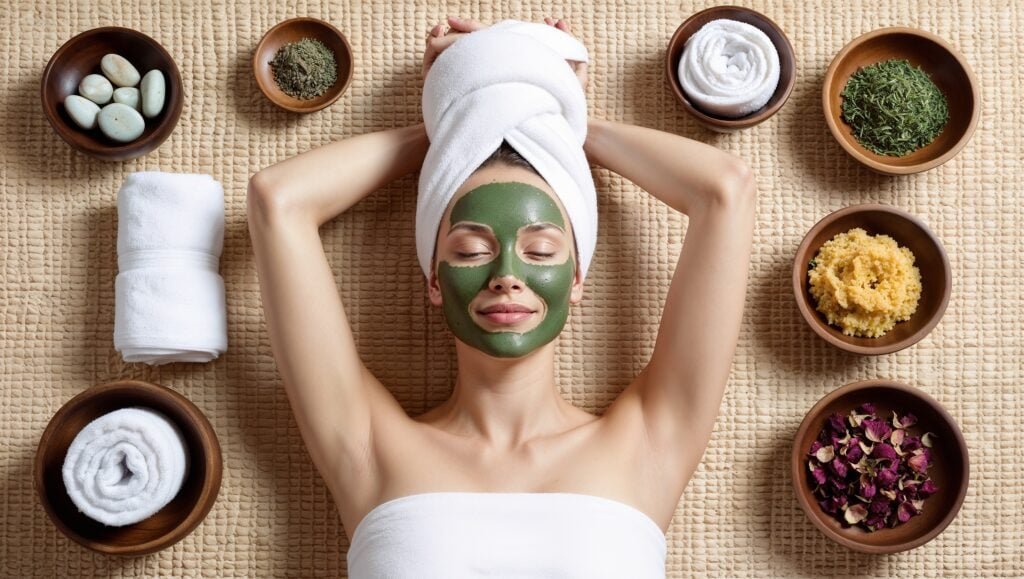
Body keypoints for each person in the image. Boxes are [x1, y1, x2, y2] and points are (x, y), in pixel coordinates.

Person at [248, 16, 755, 577]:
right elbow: (278, 200)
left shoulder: (649, 443)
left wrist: (543, 108)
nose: (507, 276)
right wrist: (466, 113)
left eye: (540, 250)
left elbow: (724, 189)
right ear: (434, 279)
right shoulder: (368, 445)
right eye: (470, 251)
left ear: (577, 277)